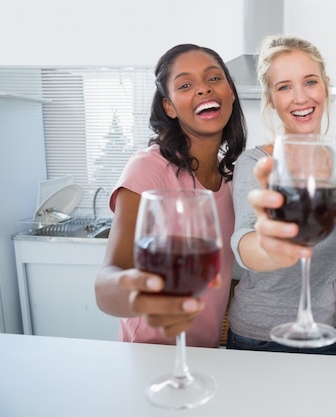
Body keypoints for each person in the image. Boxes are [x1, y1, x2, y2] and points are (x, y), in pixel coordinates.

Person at [94, 44, 247, 346]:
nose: (203, 89)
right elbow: (105, 285)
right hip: (149, 356)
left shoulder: (233, 179)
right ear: (169, 107)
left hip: (205, 357)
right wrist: (140, 292)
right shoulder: (147, 168)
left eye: (214, 78)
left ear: (230, 92)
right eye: (186, 85)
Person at [227, 34, 336, 355]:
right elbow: (244, 241)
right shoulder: (256, 163)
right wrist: (271, 248)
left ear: (325, 86)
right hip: (257, 336)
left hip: (324, 332)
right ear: (271, 99)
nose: (300, 98)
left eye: (310, 82)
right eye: (284, 86)